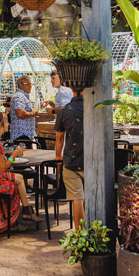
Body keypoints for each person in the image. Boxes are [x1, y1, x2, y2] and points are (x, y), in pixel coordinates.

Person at [0, 111, 40, 232]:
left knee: (19, 178)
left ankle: (23, 212)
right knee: (14, 185)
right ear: (1, 125)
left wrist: (10, 155)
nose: (9, 124)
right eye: (7, 121)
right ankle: (11, 221)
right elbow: (2, 167)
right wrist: (14, 155)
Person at [55, 87, 85, 230]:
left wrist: (58, 156)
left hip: (71, 160)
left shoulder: (64, 111)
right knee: (93, 198)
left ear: (72, 90)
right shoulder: (93, 108)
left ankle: (81, 235)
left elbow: (60, 138)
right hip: (91, 161)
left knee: (77, 199)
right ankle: (97, 233)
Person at [10, 75, 39, 141]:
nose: (30, 86)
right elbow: (20, 113)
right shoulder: (19, 96)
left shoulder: (23, 96)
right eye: (28, 84)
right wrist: (33, 113)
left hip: (26, 136)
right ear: (20, 85)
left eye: (31, 84)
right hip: (21, 136)